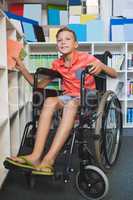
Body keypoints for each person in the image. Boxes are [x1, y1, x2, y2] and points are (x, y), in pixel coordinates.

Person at [5, 27, 117, 175]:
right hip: (68, 96)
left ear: (76, 44)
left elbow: (114, 74)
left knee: (70, 105)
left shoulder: (87, 58)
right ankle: (35, 156)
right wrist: (23, 68)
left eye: (67, 39)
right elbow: (37, 84)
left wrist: (101, 65)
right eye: (59, 40)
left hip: (88, 97)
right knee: (49, 101)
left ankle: (49, 160)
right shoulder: (57, 64)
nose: (63, 42)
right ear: (57, 44)